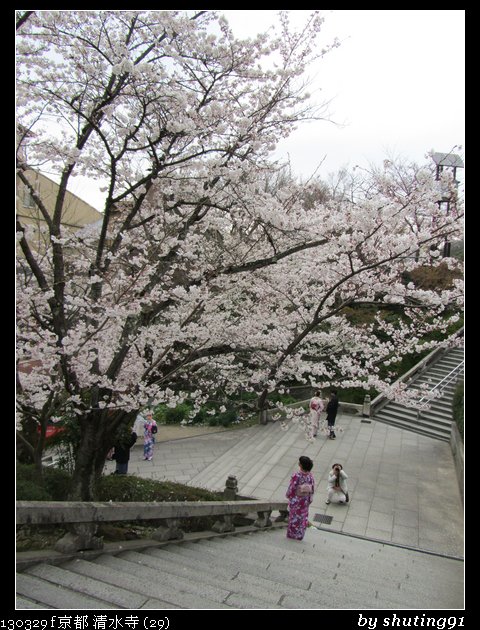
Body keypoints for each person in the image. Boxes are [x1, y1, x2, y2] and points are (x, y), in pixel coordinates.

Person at [285, 455, 315, 540]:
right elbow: (312, 488)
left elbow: (292, 487)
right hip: (305, 501)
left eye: (300, 462)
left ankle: (292, 534)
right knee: (302, 518)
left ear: (301, 465)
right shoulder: (310, 476)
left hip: (296, 500)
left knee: (294, 517)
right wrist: (310, 499)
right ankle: (300, 535)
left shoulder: (297, 475)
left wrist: (288, 495)